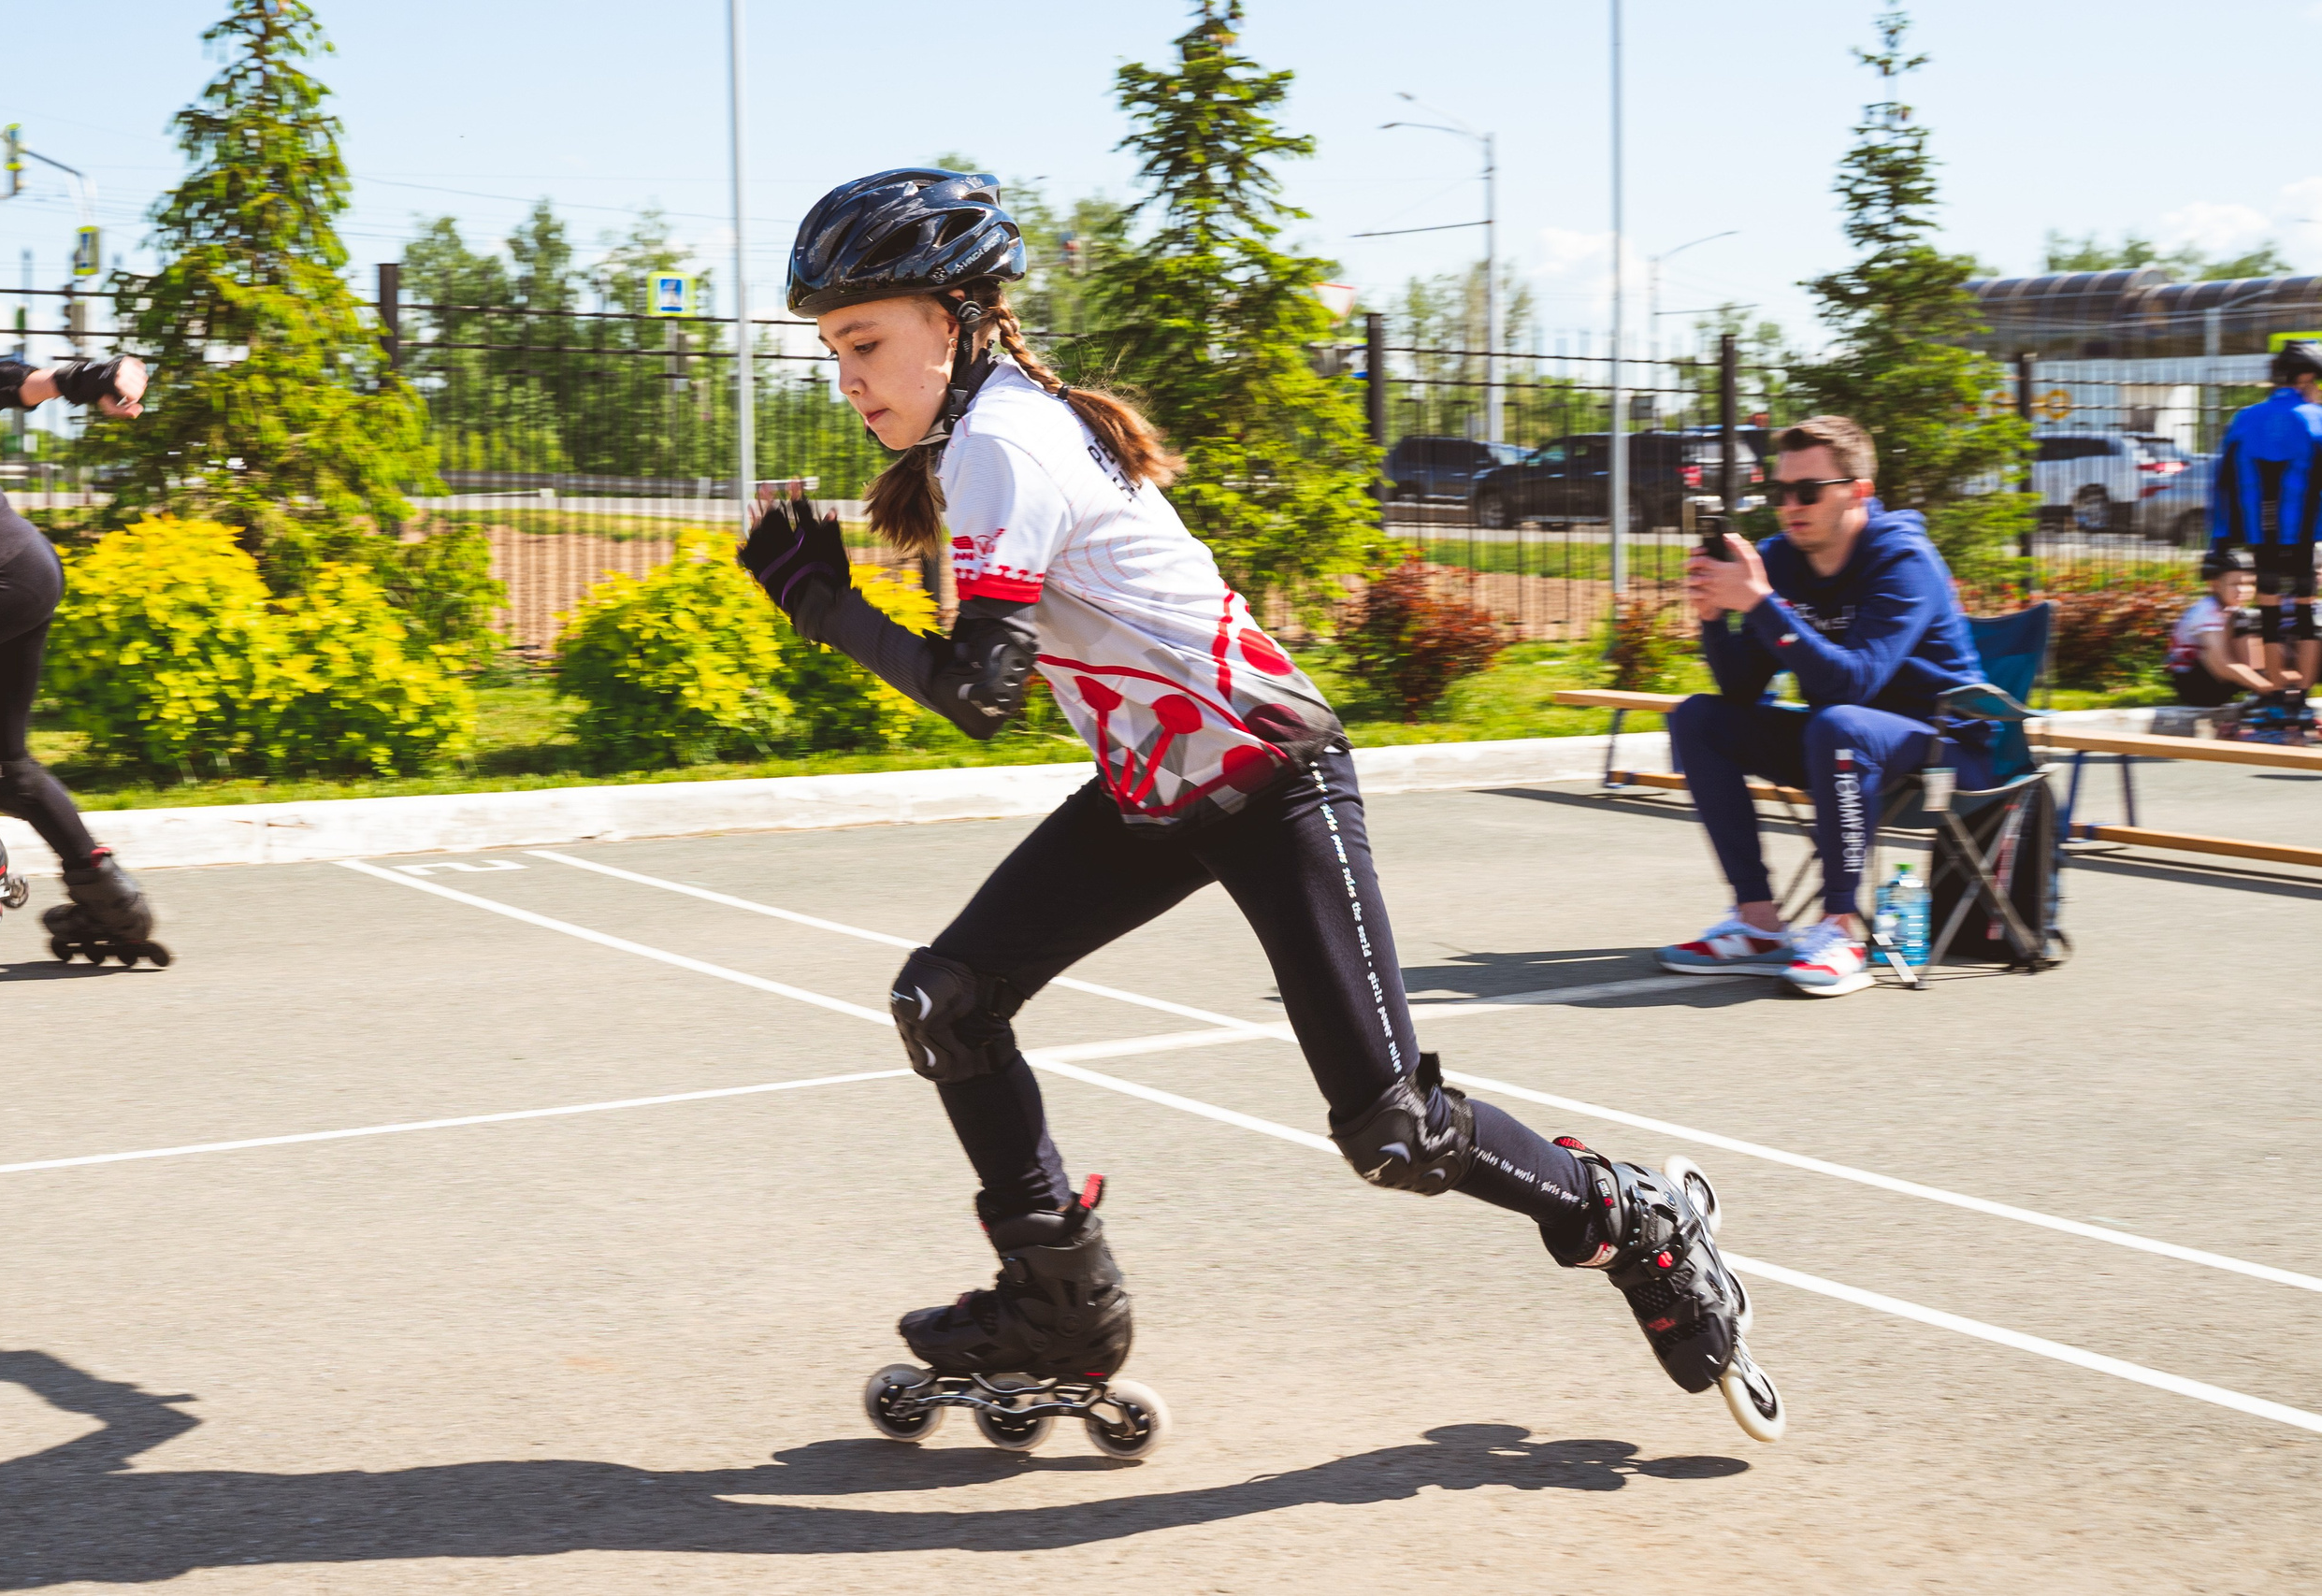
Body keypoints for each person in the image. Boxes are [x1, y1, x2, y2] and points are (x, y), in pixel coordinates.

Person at [739, 168, 1781, 1440]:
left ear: (954, 321)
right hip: (1161, 789)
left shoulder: (1007, 443)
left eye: (863, 343)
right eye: (833, 351)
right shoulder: (984, 436)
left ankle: (1631, 1218)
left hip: (1272, 775)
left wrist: (821, 604)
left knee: (1393, 1129)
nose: (847, 377)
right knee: (946, 1001)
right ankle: (1057, 1305)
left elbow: (980, 693)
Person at [1660, 415, 1989, 999]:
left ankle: (1842, 930)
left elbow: (1853, 683)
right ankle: (1759, 924)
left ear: (1858, 491)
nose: (1790, 506)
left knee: (1839, 725)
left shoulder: (1903, 559)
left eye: (1808, 492)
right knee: (1699, 719)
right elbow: (1741, 690)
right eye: (1780, 492)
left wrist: (1761, 605)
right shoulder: (1781, 560)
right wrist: (1713, 619)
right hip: (1840, 744)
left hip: (1946, 749)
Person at [0, 356, 166, 963]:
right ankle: (108, 898)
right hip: (19, 574)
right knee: (2, 772)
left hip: (3, 577)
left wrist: (88, 378)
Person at [2211, 342, 2322, 741]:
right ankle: (2301, 700)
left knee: (2270, 614)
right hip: (2306, 534)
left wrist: (2220, 538)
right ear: (2306, 378)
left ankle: (2275, 696)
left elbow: (2221, 481)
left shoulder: (2245, 418)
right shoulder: (2316, 418)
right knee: (2307, 613)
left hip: (2262, 536)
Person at [2166, 544, 2269, 716]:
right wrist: (2266, 688)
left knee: (2259, 622)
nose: (2243, 591)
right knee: (2246, 620)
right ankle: (2262, 696)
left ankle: (2264, 696)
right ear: (2215, 585)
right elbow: (2221, 664)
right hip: (2196, 686)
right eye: (2235, 584)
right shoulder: (2206, 610)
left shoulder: (2230, 609)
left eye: (2249, 584)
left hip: (2218, 679)